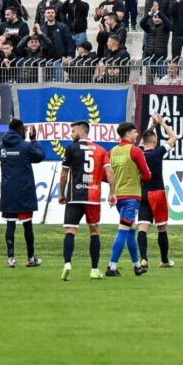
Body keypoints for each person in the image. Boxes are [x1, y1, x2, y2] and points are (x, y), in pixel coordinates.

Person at [57, 120, 113, 281]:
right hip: (93, 197)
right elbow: (109, 172)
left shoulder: (71, 148)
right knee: (94, 231)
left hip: (74, 196)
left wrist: (62, 194)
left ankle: (67, 263)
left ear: (81, 132)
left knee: (70, 231)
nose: (71, 135)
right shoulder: (101, 150)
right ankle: (94, 270)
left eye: (73, 131)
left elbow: (63, 175)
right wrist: (112, 192)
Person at [106, 122, 153, 276]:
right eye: (134, 131)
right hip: (132, 196)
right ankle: (112, 267)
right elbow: (147, 175)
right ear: (127, 133)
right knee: (123, 230)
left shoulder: (112, 151)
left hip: (119, 196)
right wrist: (138, 179)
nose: (137, 134)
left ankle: (137, 266)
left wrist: (113, 187)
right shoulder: (135, 151)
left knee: (131, 230)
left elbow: (105, 174)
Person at [0, 118, 46, 269]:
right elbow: (40, 156)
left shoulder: (1, 147)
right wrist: (34, 140)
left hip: (8, 192)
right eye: (24, 129)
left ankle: (11, 259)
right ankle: (30, 258)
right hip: (24, 192)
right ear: (19, 129)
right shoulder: (26, 146)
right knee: (27, 225)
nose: (25, 131)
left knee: (10, 224)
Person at [137, 114, 178, 269]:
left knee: (142, 227)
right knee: (161, 227)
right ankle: (164, 260)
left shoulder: (138, 152)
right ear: (154, 141)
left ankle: (143, 258)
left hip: (143, 192)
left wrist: (152, 126)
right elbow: (174, 137)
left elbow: (143, 140)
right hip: (157, 192)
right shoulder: (158, 152)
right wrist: (162, 123)